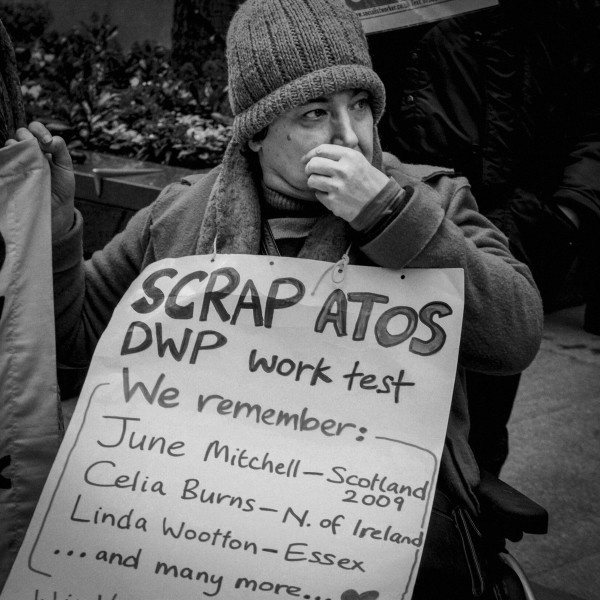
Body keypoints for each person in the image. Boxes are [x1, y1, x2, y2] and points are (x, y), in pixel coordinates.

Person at [7, 0, 543, 596]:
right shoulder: (179, 217)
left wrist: (391, 216)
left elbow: (516, 337)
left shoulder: (432, 201)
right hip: (199, 516)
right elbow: (76, 351)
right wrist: (56, 236)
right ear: (258, 130)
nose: (351, 137)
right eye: (316, 113)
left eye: (360, 106)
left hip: (377, 523)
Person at [368, 0, 600, 476]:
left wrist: (564, 215)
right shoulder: (387, 14)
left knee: (480, 428)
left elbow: (590, 117)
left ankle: (475, 534)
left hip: (505, 228)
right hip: (385, 218)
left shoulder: (555, 21)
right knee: (377, 408)